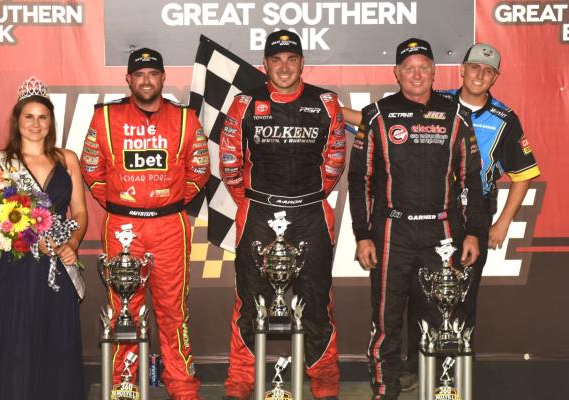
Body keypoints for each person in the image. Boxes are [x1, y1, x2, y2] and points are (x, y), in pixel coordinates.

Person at [347, 38, 487, 399]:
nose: (416, 74)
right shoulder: (377, 115)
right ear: (396, 73)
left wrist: (473, 232)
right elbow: (359, 178)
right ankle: (385, 391)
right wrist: (362, 234)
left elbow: (471, 177)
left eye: (423, 67)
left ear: (434, 72)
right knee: (386, 319)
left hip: (443, 231)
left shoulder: (457, 115)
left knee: (442, 317)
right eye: (408, 68)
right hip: (392, 229)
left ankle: (438, 389)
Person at [219, 30, 345, 400]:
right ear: (265, 65)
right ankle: (239, 386)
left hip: (311, 213)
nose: (285, 67)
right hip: (257, 210)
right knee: (249, 301)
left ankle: (325, 385)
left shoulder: (326, 102)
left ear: (302, 63)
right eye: (277, 60)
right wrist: (255, 200)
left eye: (292, 59)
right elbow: (230, 162)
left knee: (318, 302)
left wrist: (305, 198)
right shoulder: (244, 103)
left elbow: (335, 161)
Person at [80, 48, 210, 399]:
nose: (147, 80)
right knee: (125, 309)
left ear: (164, 77)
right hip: (123, 227)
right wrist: (123, 202)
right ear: (129, 80)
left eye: (153, 73)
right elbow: (91, 169)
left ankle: (182, 385)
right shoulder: (106, 118)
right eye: (140, 74)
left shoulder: (185, 119)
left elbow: (199, 171)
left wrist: (167, 199)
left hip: (170, 226)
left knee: (173, 311)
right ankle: (125, 384)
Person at [0, 77, 88, 400]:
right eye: (29, 116)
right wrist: (30, 241)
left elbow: (80, 213)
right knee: (17, 342)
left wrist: (72, 244)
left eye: (43, 116)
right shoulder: (0, 162)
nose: (36, 123)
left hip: (58, 266)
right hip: (16, 270)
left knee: (58, 341)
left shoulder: (67, 159)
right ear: (18, 120)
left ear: (50, 121)